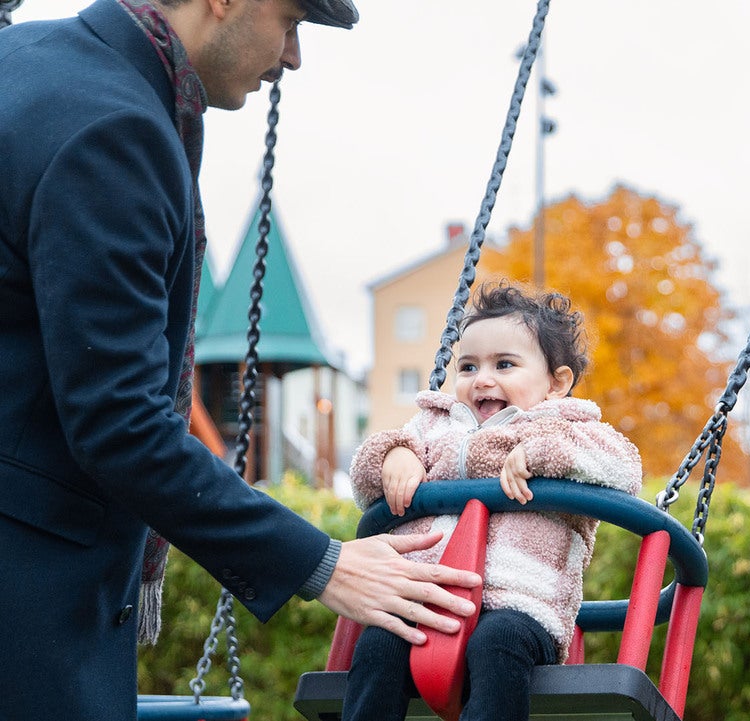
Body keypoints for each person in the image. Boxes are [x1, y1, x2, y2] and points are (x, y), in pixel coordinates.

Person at [0, 1, 481, 718]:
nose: (293, 57)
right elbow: (120, 422)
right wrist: (324, 564)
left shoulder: (24, 63)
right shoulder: (116, 128)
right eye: (290, 21)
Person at [342, 282, 643, 721]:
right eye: (468, 366)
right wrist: (394, 456)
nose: (482, 379)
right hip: (425, 598)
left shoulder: (566, 426)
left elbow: (624, 466)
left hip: (522, 606)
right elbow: (365, 475)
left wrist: (542, 454)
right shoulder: (432, 426)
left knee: (496, 644)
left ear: (557, 382)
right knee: (378, 644)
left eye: (504, 364)